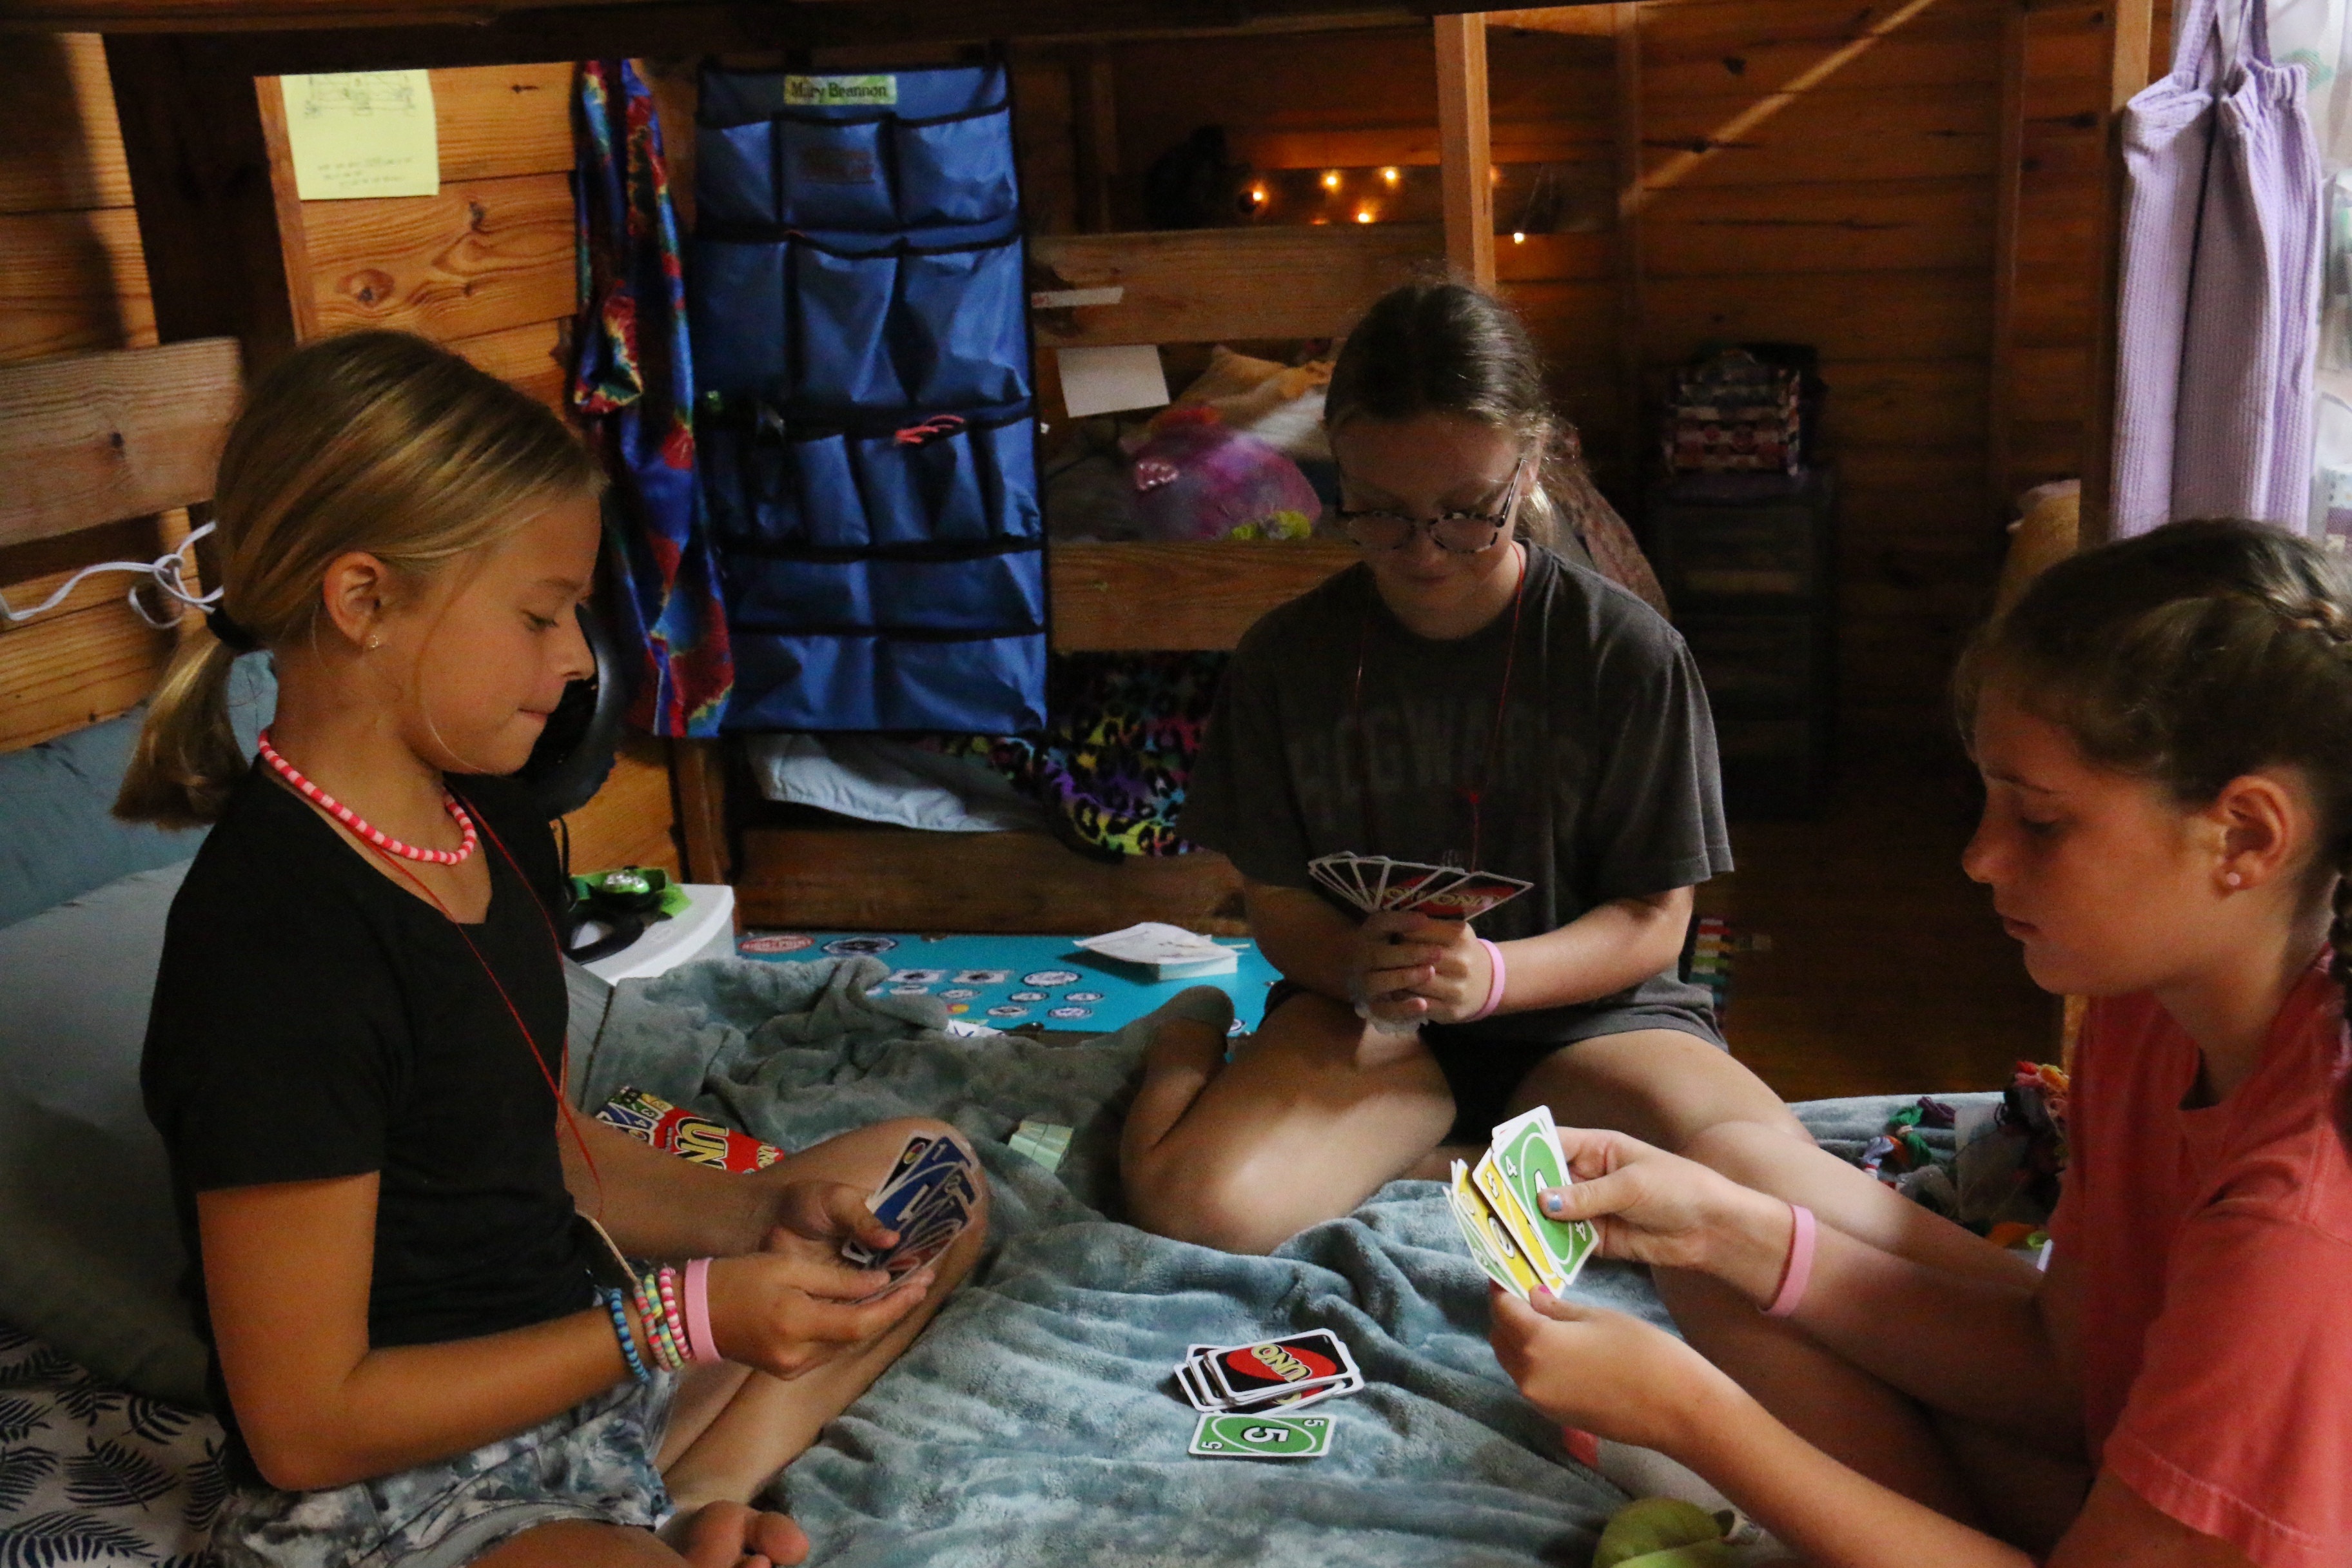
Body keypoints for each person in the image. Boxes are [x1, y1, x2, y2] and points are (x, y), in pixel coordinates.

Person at [123, 331, 987, 1568]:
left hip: (583, 1388)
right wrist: (674, 1321)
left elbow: (529, 1153)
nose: (578, 659)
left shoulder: (487, 821)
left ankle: (690, 1498)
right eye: (541, 616)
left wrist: (759, 1212)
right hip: (402, 1480)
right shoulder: (275, 950)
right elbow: (305, 1428)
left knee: (930, 1174)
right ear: (364, 601)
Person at [1118, 281, 2001, 1309]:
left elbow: (1654, 920)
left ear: (1532, 465)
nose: (1424, 551)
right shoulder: (1287, 658)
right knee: (1196, 1212)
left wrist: (1493, 977)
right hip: (1366, 1023)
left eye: (1467, 512)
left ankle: (2014, 1300)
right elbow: (1277, 900)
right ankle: (1192, 1037)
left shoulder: (1621, 651)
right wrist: (1357, 964)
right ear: (1339, 474)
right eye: (1381, 512)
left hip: (1591, 1024)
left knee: (1760, 1181)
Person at [1491, 518, 2352, 1568]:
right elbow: (2068, 1373)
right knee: (1721, 1194)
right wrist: (1726, 1231)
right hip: (2125, 1451)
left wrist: (1695, 1418)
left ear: (2247, 836)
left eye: (2041, 822)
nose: (1980, 857)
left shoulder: (2300, 1228)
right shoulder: (2147, 1004)